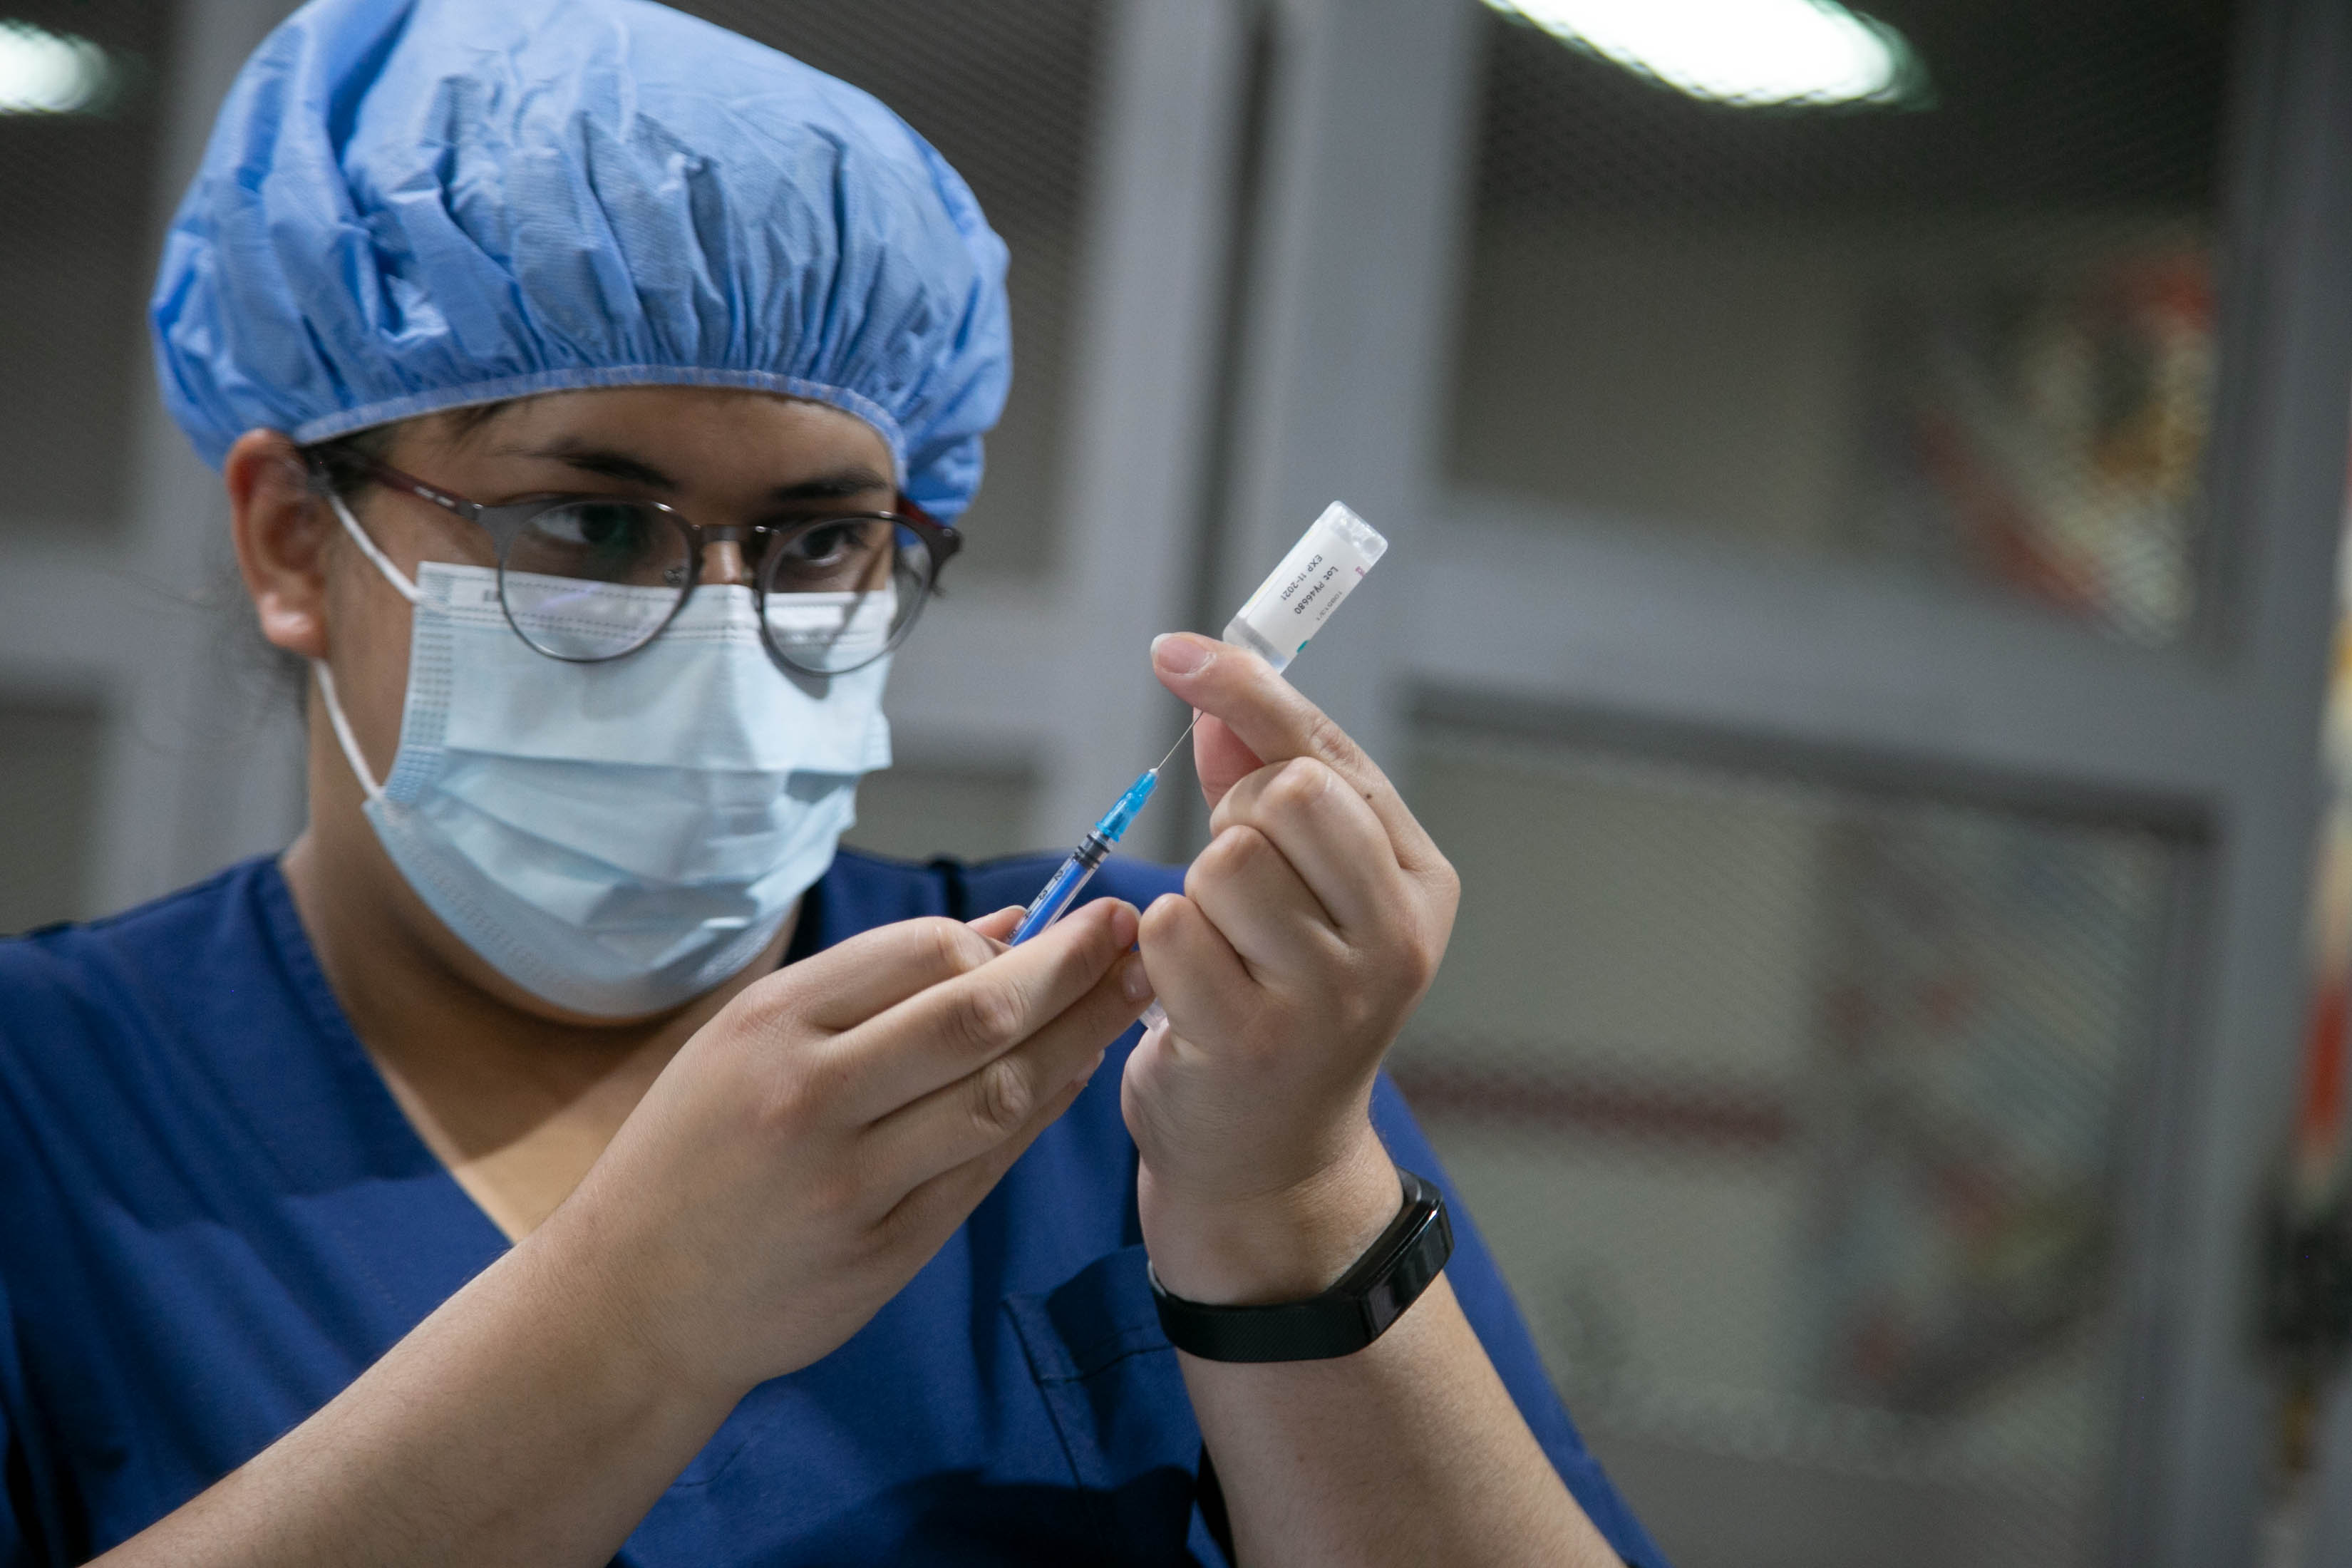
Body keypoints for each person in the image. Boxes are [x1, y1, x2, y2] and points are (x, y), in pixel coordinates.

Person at [0, 1, 1668, 1564]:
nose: (720, 624)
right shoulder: (46, 1100)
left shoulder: (1165, 1027)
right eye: (592, 521)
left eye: (817, 542)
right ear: (294, 539)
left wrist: (1292, 1199)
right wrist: (635, 1313)